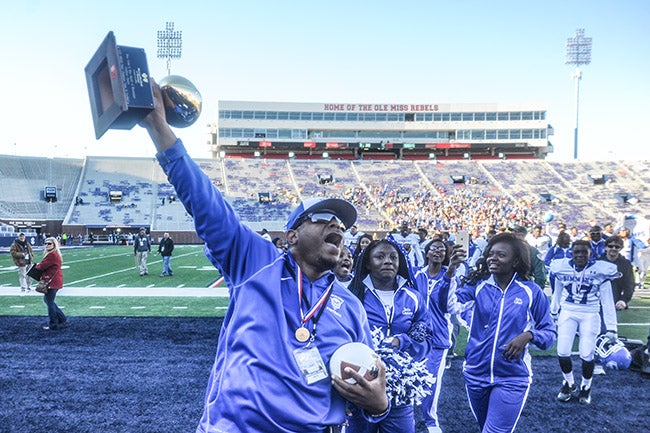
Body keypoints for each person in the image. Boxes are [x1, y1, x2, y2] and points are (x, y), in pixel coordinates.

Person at [139, 80, 389, 433]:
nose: (337, 224)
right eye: (322, 218)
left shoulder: (350, 307)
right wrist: (158, 127)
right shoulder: (255, 262)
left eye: (342, 223)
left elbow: (365, 391)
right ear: (291, 236)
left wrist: (379, 405)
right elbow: (205, 203)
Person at [438, 232, 556, 432]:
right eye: (491, 254)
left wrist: (529, 336)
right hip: (475, 373)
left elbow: (549, 333)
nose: (493, 258)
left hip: (512, 377)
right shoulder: (478, 286)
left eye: (501, 255)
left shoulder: (531, 291)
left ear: (515, 261)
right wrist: (450, 271)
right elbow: (447, 305)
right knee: (486, 427)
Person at [347, 239, 433, 433]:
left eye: (393, 257)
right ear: (367, 263)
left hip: (400, 390)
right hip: (361, 386)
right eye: (380, 257)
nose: (388, 261)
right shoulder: (352, 296)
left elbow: (426, 337)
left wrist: (400, 342)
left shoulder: (413, 297)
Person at [549, 240, 619, 404]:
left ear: (590, 254)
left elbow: (608, 302)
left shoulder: (601, 270)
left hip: (590, 313)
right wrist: (553, 313)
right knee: (563, 351)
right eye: (577, 252)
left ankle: (586, 387)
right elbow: (556, 292)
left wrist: (612, 328)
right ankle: (569, 383)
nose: (580, 255)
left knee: (587, 353)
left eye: (584, 252)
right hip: (568, 311)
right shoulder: (561, 267)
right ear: (571, 253)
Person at [414, 238, 465, 433]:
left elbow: (447, 306)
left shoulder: (450, 277)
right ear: (426, 253)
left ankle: (430, 421)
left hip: (438, 337)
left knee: (432, 381)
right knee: (409, 375)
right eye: (434, 248)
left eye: (442, 249)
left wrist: (451, 272)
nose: (438, 251)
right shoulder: (416, 274)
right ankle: (406, 416)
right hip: (415, 338)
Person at [34, 237, 66, 330]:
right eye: (46, 243)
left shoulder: (52, 255)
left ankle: (53, 324)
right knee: (48, 300)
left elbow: (42, 266)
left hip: (51, 281)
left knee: (49, 302)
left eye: (49, 243)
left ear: (54, 245)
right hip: (55, 280)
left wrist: (36, 266)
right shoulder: (54, 254)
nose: (47, 245)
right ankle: (61, 318)